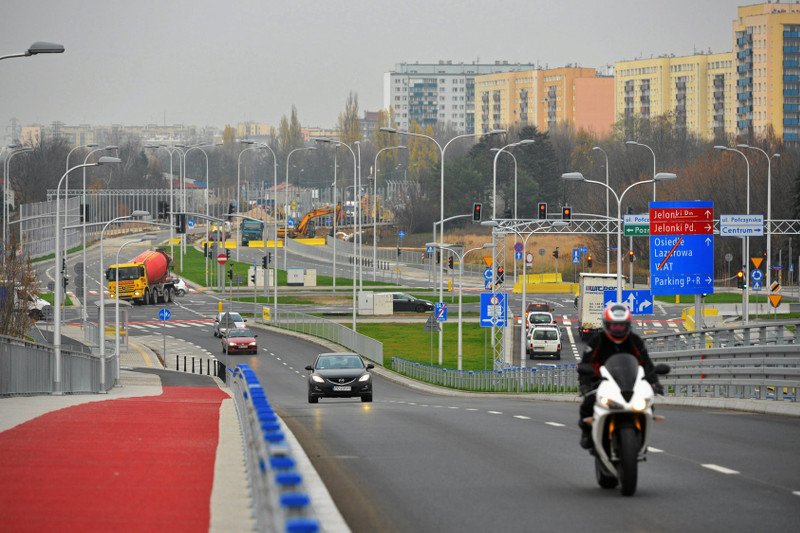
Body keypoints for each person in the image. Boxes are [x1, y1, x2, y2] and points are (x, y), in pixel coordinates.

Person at [578, 303, 663, 449]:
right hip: (601, 382)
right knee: (587, 404)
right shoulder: (597, 340)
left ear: (628, 325)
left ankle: (641, 434)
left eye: (621, 325)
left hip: (630, 382)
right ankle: (587, 434)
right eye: (614, 325)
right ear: (607, 325)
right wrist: (585, 383)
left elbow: (646, 363)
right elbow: (586, 362)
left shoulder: (634, 340)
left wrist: (654, 382)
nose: (618, 329)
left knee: (648, 404)